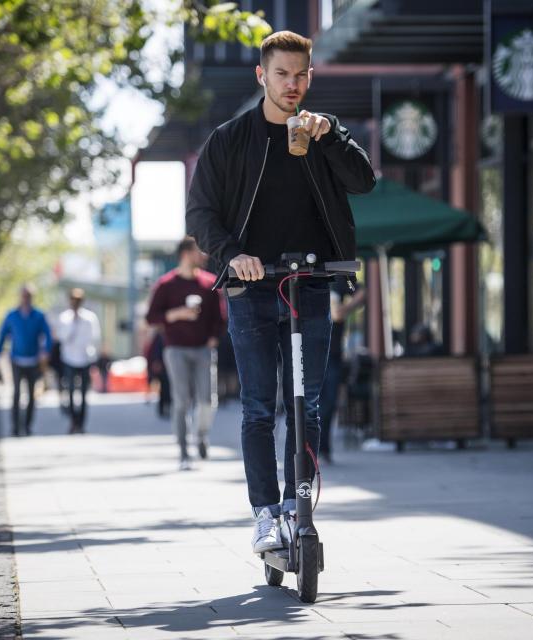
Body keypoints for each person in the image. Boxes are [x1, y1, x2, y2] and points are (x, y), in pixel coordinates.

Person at [185, 30, 375, 553]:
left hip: (310, 284)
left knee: (308, 404)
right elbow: (200, 215)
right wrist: (232, 256)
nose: (291, 84)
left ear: (310, 77)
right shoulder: (229, 139)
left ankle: (299, 503)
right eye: (281, 74)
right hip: (251, 288)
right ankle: (266, 513)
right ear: (261, 76)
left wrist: (331, 136)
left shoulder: (323, 132)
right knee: (258, 408)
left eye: (300, 75)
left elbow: (364, 182)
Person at [145, 238, 226, 470]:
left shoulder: (209, 283)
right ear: (186, 253)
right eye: (199, 251)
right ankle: (183, 451)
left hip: (203, 349)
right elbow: (151, 318)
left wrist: (213, 338)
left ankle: (201, 435)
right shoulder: (166, 284)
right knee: (181, 400)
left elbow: (219, 320)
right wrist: (176, 314)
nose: (204, 255)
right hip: (175, 349)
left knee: (207, 400)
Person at [317, 280, 366, 464]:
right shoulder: (301, 270)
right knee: (306, 402)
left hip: (333, 352)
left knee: (328, 402)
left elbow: (360, 291)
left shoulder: (339, 276)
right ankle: (306, 450)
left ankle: (323, 449)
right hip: (305, 350)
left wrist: (346, 309)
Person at [0, 284, 52, 437]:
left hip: (33, 360)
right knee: (16, 393)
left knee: (32, 395)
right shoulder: (12, 316)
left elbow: (47, 335)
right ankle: (15, 427)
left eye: (29, 296)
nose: (26, 299)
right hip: (16, 360)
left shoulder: (39, 316)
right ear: (20, 297)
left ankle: (27, 426)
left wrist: (45, 351)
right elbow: (2, 336)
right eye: (24, 296)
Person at [56, 288, 101, 434]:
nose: (75, 304)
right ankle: (72, 421)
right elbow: (63, 338)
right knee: (69, 393)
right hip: (69, 359)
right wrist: (73, 323)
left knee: (83, 394)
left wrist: (93, 358)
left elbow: (94, 338)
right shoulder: (65, 318)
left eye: (78, 301)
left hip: (84, 359)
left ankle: (81, 423)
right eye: (73, 301)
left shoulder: (89, 318)